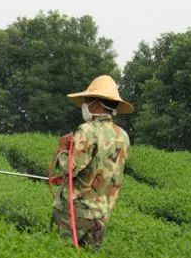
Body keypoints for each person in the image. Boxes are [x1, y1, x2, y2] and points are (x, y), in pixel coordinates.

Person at [51, 75, 132, 249]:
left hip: (76, 213)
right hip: (101, 215)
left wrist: (63, 149)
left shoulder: (88, 130)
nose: (84, 105)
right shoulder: (123, 136)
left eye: (87, 101)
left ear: (96, 104)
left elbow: (69, 168)